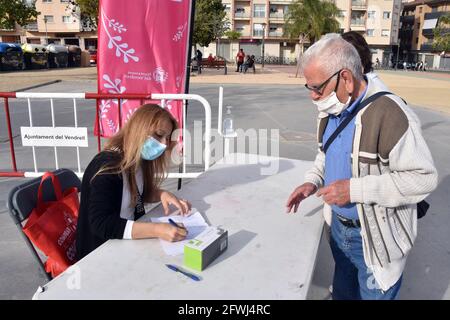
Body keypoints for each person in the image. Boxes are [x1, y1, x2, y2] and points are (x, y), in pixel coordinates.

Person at [286, 33, 438, 300]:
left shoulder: (391, 114)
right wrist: (313, 180)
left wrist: (354, 191)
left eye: (317, 88)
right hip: (338, 231)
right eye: (308, 87)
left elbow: (423, 179)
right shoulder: (330, 107)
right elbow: (325, 153)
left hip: (374, 239)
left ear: (345, 78)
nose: (312, 96)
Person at [76, 105, 191, 260]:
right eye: (158, 135)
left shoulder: (137, 161)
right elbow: (101, 223)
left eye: (167, 139)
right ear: (139, 129)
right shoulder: (107, 167)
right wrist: (157, 229)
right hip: (100, 253)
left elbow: (134, 194)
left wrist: (162, 194)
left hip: (124, 244)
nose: (163, 144)